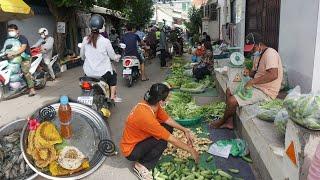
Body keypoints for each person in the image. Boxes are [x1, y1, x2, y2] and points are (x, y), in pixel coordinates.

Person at [120, 83, 199, 180]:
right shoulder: (146, 117)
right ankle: (141, 165)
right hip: (131, 150)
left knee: (168, 127)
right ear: (161, 101)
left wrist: (185, 130)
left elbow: (167, 120)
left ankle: (148, 154)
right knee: (162, 142)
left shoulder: (152, 104)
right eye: (167, 97)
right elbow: (172, 139)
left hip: (138, 140)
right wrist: (191, 150)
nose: (169, 99)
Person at [211, 32, 283, 129]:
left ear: (259, 45)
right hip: (256, 86)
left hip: (266, 92)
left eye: (253, 48)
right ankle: (229, 122)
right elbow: (254, 73)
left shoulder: (270, 53)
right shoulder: (258, 55)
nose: (252, 51)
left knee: (232, 101)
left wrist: (252, 81)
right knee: (230, 89)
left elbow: (273, 75)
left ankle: (222, 121)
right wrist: (248, 73)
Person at [80, 14, 122, 102]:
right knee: (113, 76)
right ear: (102, 27)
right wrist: (117, 57)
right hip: (103, 73)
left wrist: (85, 59)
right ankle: (113, 97)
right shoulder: (105, 41)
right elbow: (112, 56)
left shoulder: (85, 39)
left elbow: (82, 56)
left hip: (88, 73)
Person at [6, 24, 36, 96]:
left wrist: (13, 54)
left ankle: (32, 89)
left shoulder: (22, 38)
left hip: (26, 58)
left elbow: (22, 48)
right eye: (9, 31)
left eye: (12, 30)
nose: (10, 32)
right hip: (16, 58)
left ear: (17, 31)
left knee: (25, 71)